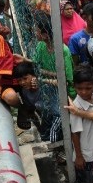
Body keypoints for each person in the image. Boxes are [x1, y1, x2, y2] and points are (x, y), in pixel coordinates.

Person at [33, 13, 76, 141]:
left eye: (37, 30)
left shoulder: (63, 51)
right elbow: (37, 67)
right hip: (50, 92)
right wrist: (55, 75)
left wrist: (43, 78)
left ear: (45, 34)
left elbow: (66, 81)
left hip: (66, 94)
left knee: (58, 121)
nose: (35, 32)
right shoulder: (41, 46)